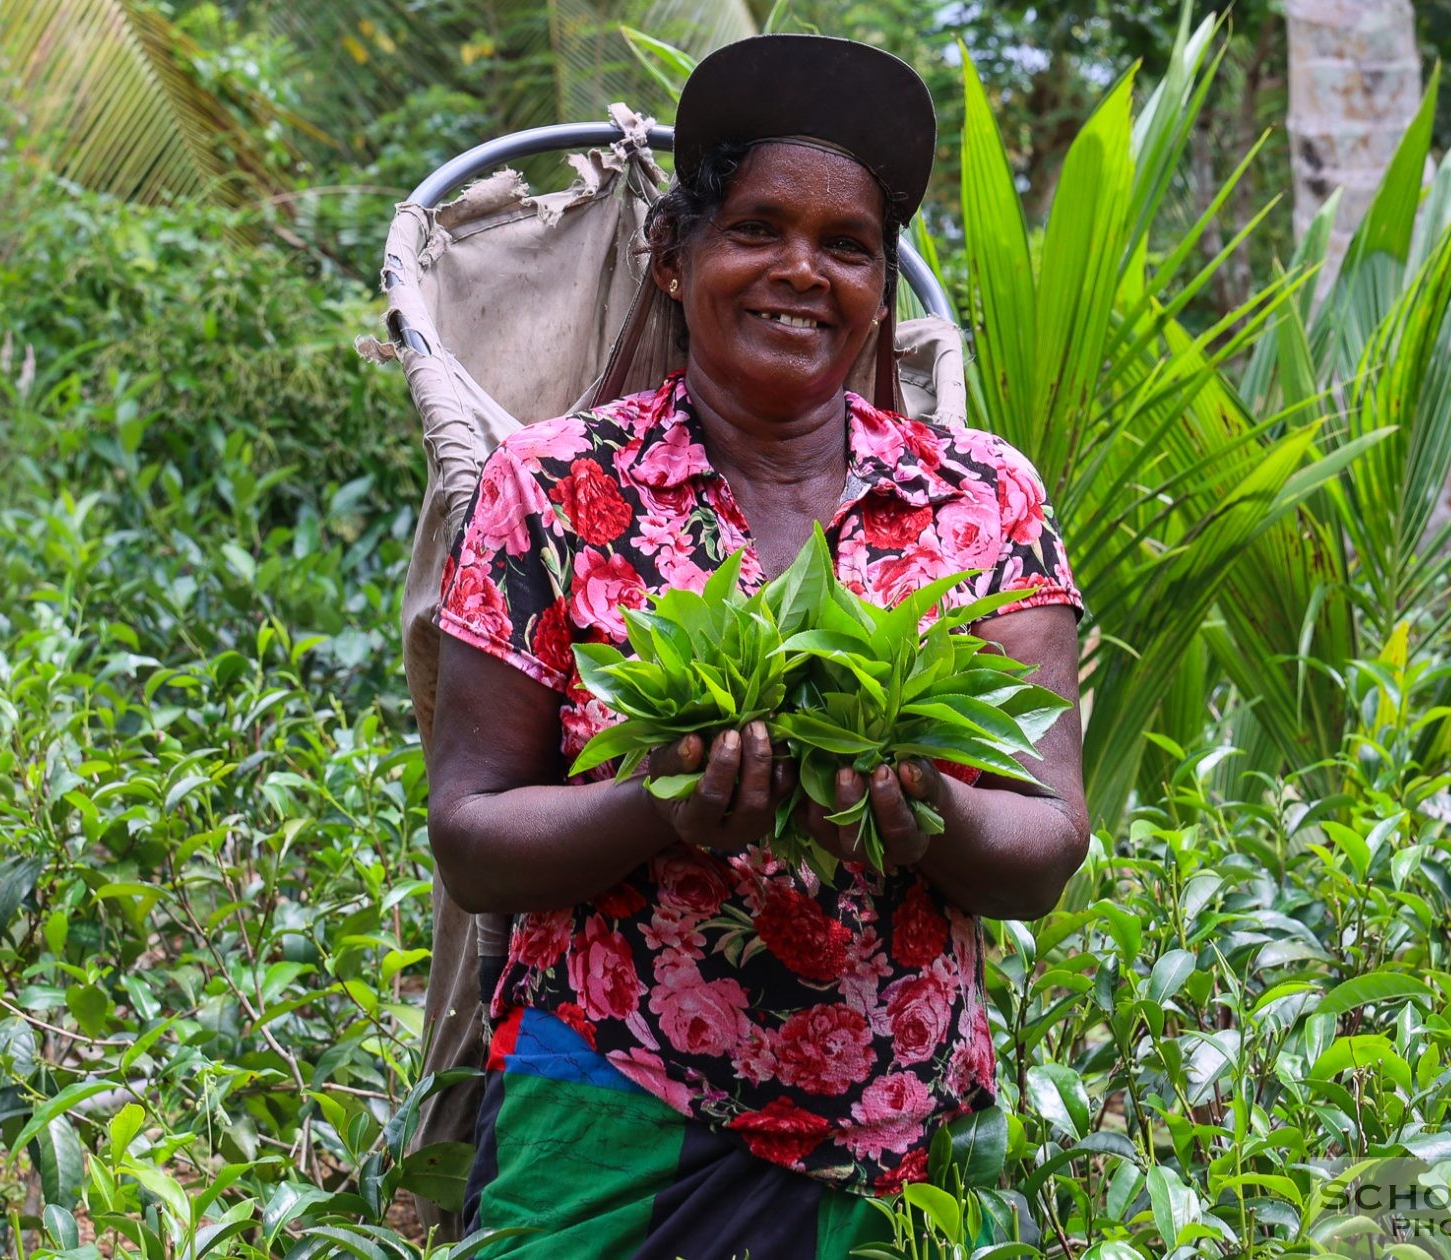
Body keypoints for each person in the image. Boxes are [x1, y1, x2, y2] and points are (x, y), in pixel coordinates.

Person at [425, 33, 1088, 1257]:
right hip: (608, 1112)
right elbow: (471, 836)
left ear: (881, 287)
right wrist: (660, 804)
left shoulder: (983, 498)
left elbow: (1045, 846)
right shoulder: (558, 486)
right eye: (756, 229)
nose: (801, 269)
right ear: (674, 261)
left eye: (847, 245)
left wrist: (917, 799)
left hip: (899, 1128)